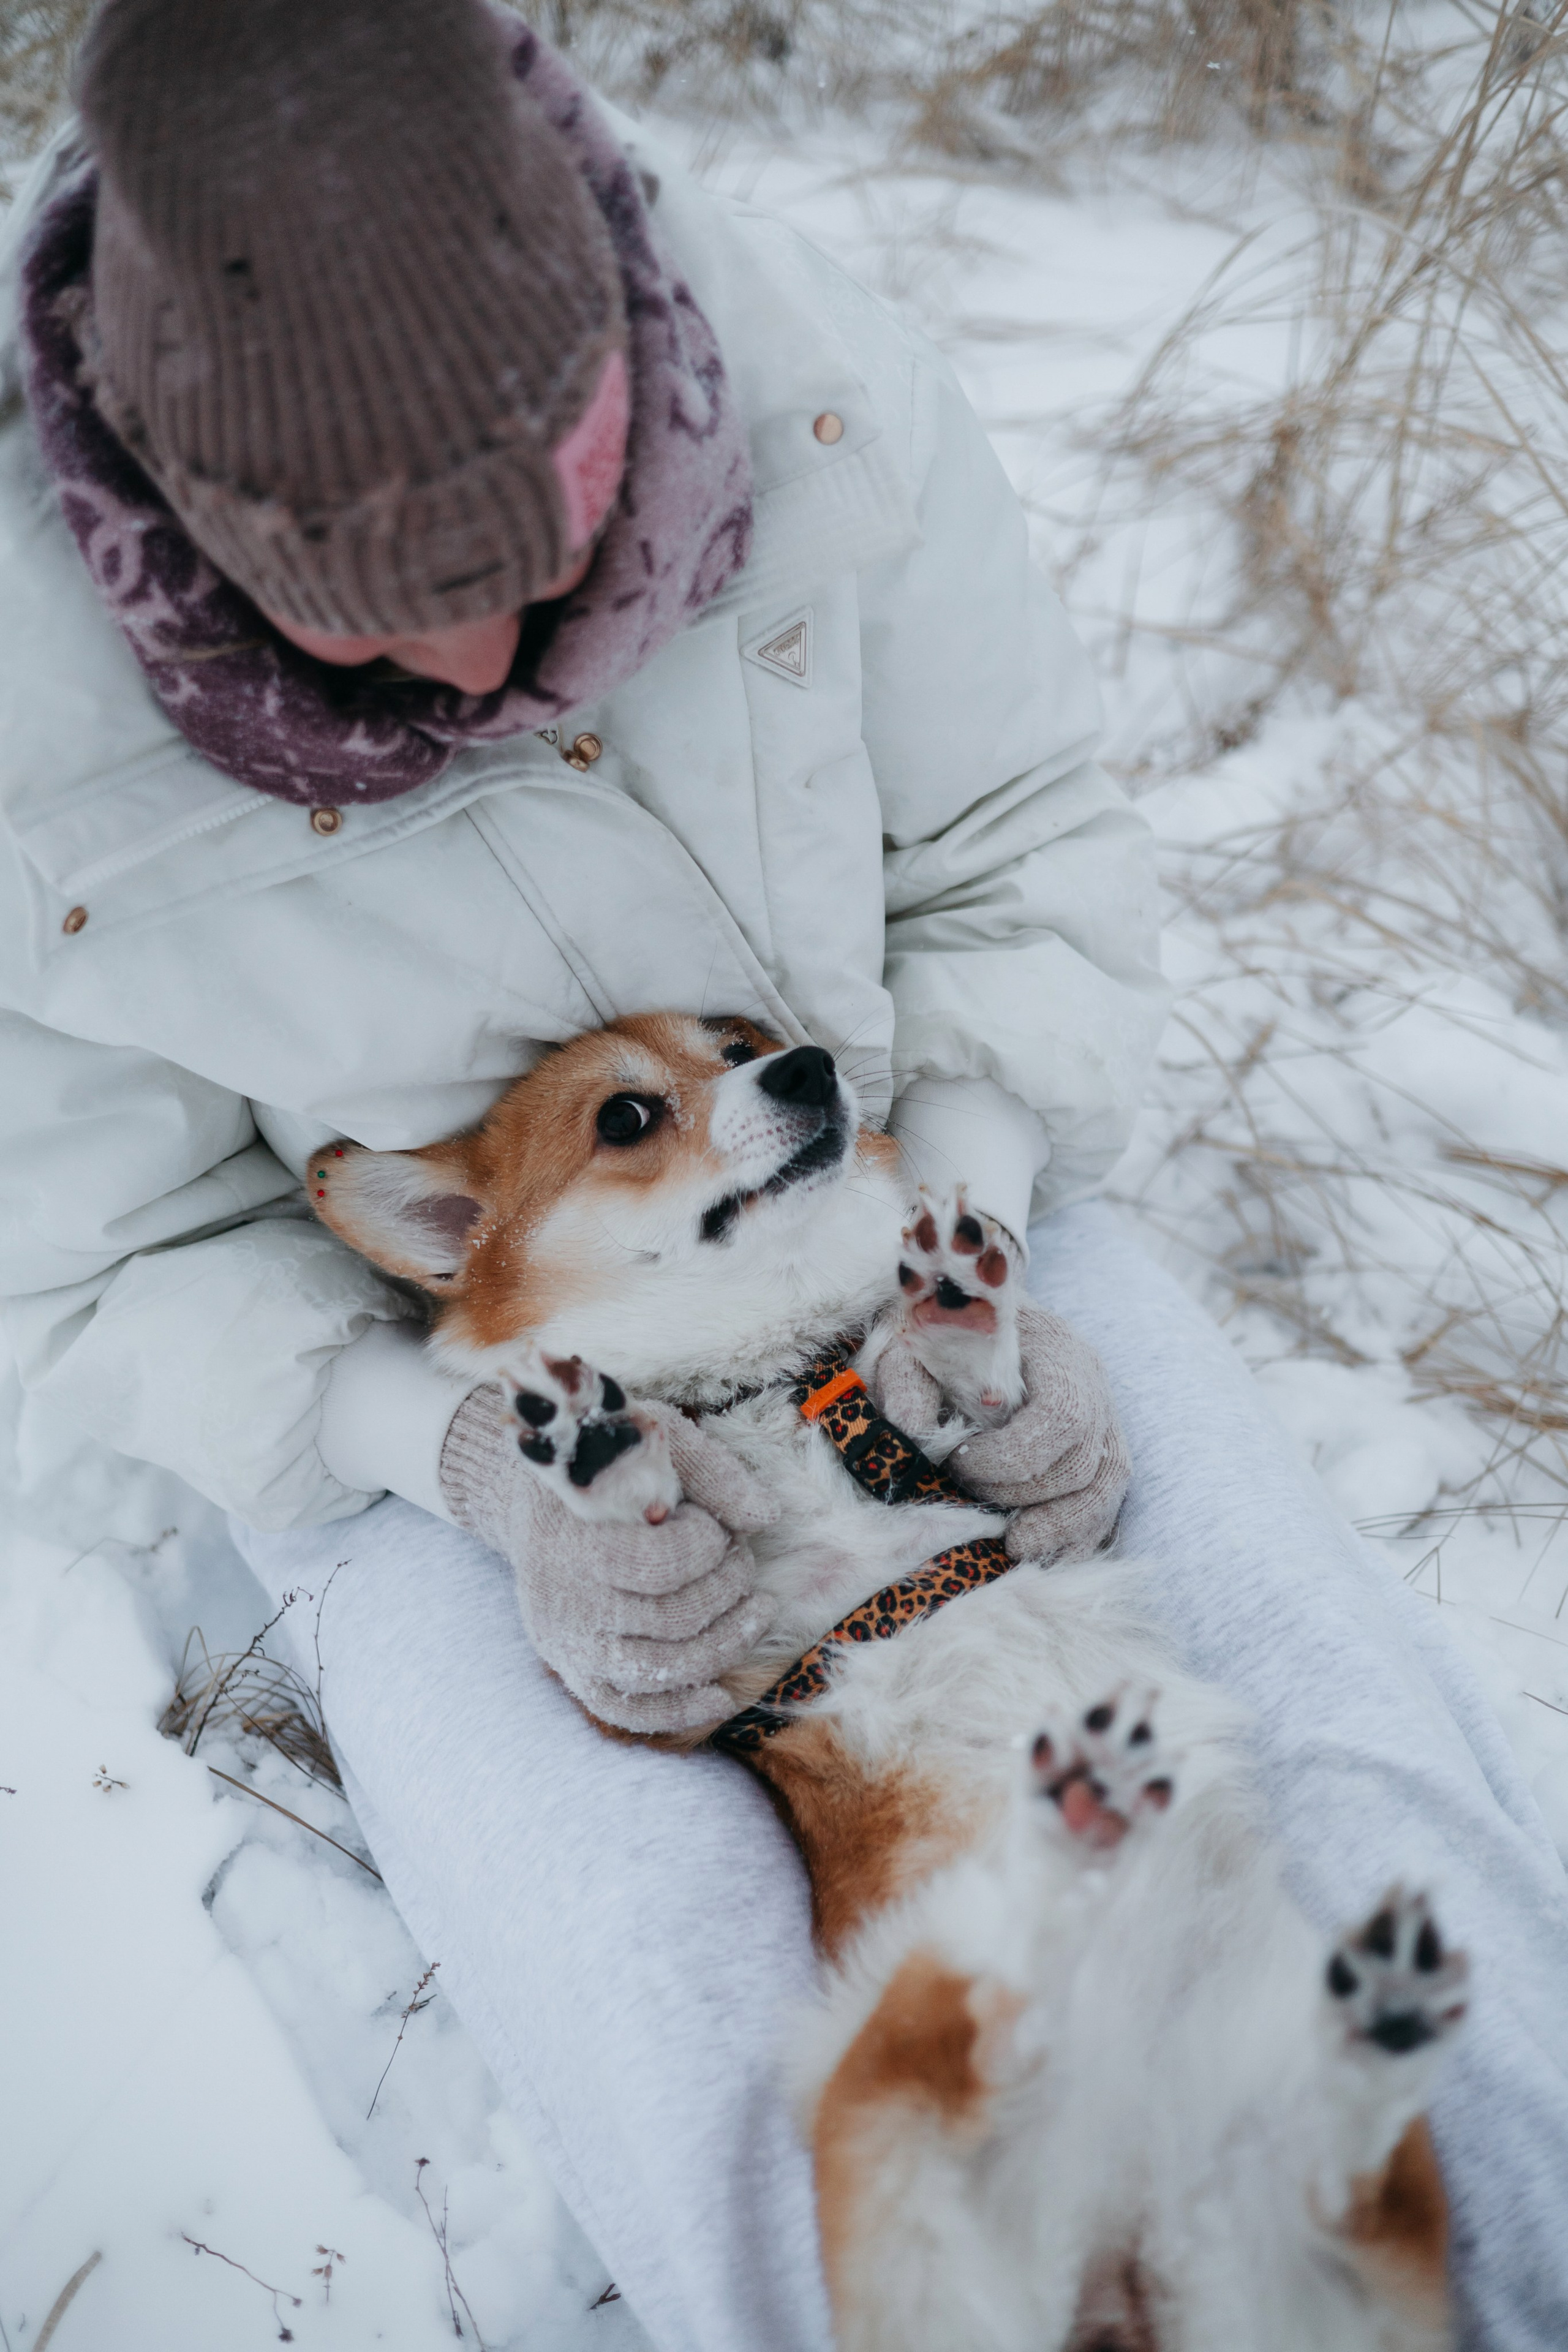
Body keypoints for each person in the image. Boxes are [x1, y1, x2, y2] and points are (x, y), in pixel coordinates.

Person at [1, 0, 1564, 2344]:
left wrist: (983, 1227)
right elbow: (95, 1267)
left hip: (908, 1189)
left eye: (529, 536)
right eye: (348, 591)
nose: (467, 645)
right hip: (426, 1385)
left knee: (1336, 1748)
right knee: (661, 1981)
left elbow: (1020, 858)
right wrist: (457, 1464)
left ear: (625, 377)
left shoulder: (822, 385)